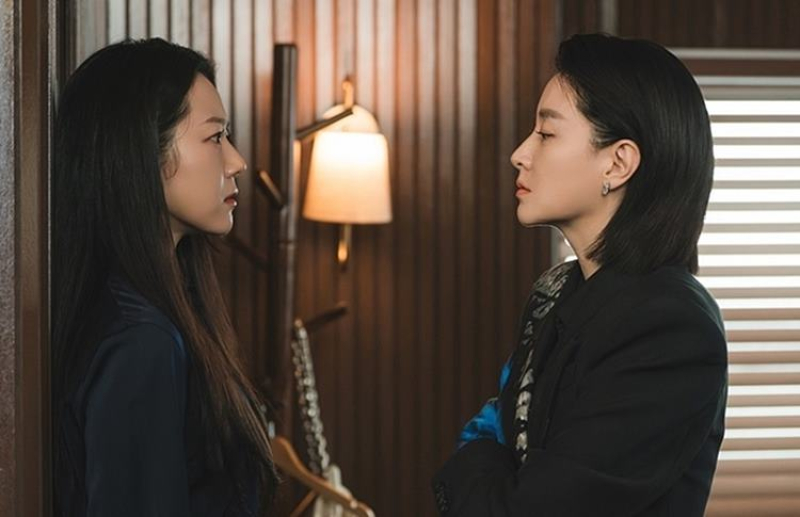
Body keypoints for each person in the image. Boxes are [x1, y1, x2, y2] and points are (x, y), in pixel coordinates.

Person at [432, 33, 728, 516]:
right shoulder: (555, 293)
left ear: (618, 162)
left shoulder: (670, 325)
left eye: (546, 134)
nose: (520, 154)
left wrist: (480, 454)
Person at [51, 38, 278, 516]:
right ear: (142, 153)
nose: (236, 161)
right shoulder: (139, 340)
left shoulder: (156, 308)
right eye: (215, 138)